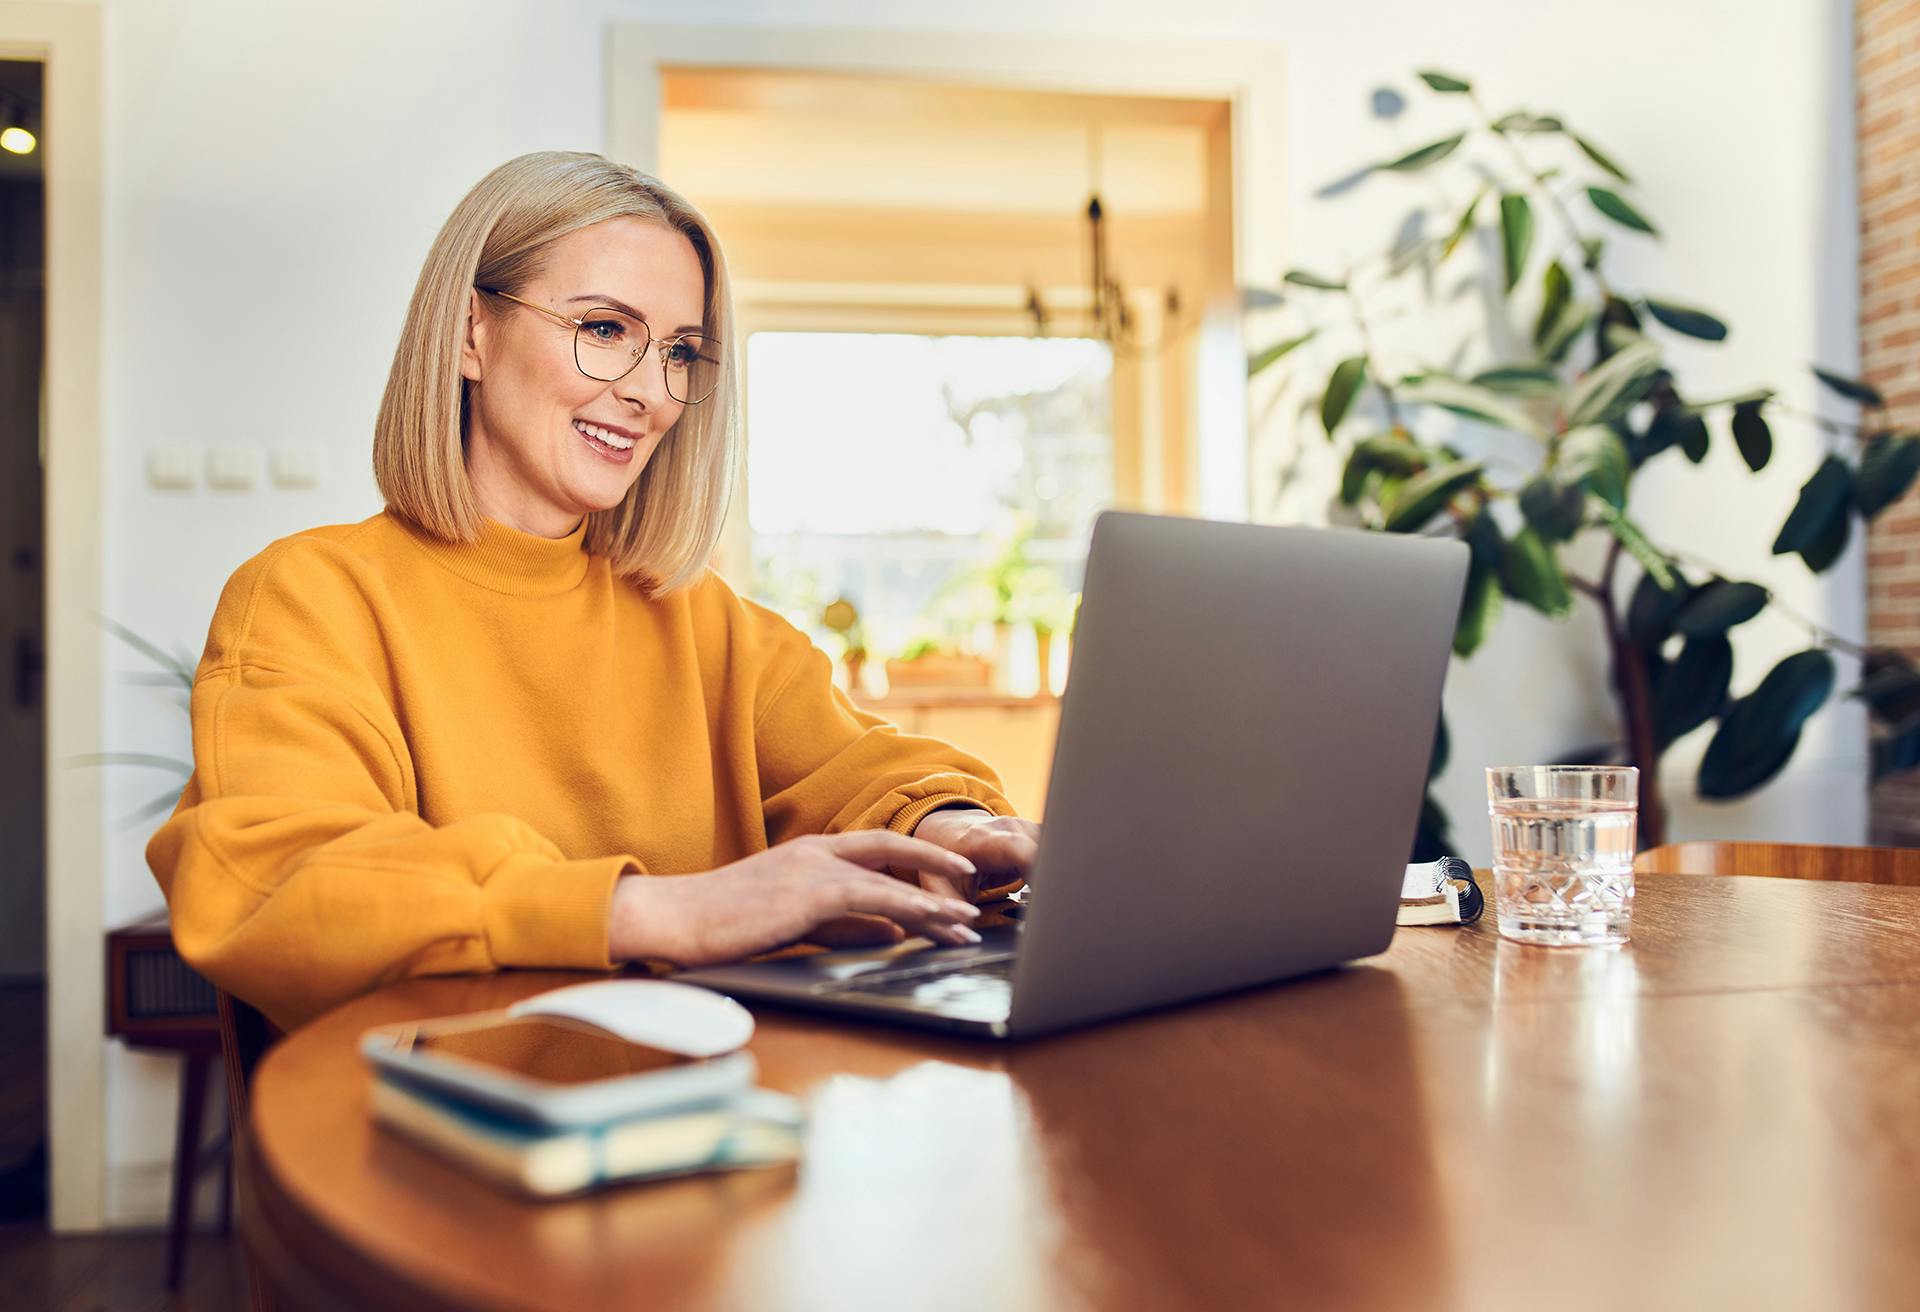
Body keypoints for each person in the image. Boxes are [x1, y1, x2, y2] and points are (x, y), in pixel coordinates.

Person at [146, 151, 1041, 1031]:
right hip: (438, 1140)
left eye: (680, 352)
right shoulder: (312, 597)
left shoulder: (699, 617)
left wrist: (950, 825)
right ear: (470, 333)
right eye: (606, 329)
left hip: (715, 1127)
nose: (650, 394)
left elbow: (869, 768)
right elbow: (280, 880)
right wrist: (663, 913)